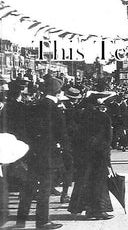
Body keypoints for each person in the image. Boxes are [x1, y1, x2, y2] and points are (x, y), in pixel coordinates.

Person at [16, 77, 64, 230]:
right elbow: (62, 133)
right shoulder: (54, 108)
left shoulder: (34, 106)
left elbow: (26, 129)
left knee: (29, 186)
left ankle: (21, 219)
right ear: (58, 91)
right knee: (45, 187)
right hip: (48, 154)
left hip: (34, 152)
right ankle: (43, 221)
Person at [68, 95, 114, 220]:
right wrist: (107, 154)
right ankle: (98, 210)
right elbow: (108, 138)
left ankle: (86, 208)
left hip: (84, 155)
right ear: (97, 106)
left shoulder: (80, 117)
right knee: (99, 182)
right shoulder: (103, 117)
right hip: (99, 155)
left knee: (84, 181)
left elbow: (74, 135)